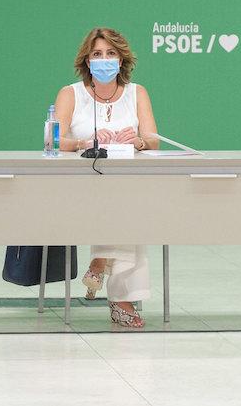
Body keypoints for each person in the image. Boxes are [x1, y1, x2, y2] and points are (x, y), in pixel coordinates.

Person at [53, 27, 160, 328]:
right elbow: (54, 140)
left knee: (128, 201)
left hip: (126, 186)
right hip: (81, 188)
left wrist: (136, 141)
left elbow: (152, 140)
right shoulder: (70, 94)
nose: (104, 59)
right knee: (127, 207)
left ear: (121, 59)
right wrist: (84, 143)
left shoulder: (137, 93)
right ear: (87, 61)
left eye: (110, 53)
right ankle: (118, 296)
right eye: (97, 54)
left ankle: (101, 263)